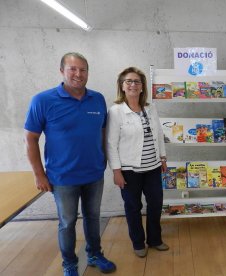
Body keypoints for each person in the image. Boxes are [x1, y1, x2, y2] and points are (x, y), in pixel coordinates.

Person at [24, 52, 116, 276]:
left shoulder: (98, 99)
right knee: (67, 222)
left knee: (93, 217)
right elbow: (30, 139)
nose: (78, 74)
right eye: (72, 69)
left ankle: (94, 253)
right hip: (62, 177)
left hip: (94, 174)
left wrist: (104, 159)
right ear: (62, 71)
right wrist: (39, 174)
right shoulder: (42, 100)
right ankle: (69, 264)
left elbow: (103, 131)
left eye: (83, 69)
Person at [106, 67, 169, 258]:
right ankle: (138, 242)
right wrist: (116, 171)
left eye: (137, 82)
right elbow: (111, 143)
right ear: (122, 86)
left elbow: (158, 134)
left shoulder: (150, 108)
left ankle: (155, 240)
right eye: (129, 81)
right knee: (133, 207)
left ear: (142, 87)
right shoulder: (116, 111)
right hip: (129, 170)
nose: (133, 85)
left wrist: (163, 158)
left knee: (156, 204)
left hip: (153, 167)